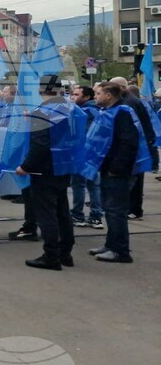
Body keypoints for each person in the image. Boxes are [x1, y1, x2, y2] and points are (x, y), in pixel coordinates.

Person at [15, 75, 86, 271]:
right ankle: (65, 253)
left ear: (41, 90)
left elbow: (40, 144)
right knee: (62, 212)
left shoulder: (42, 112)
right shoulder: (72, 108)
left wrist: (25, 167)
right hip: (64, 166)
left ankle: (51, 256)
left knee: (46, 214)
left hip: (44, 170)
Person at [82, 81, 151, 263]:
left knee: (116, 211)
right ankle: (111, 244)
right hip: (109, 169)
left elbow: (128, 143)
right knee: (110, 209)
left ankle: (120, 250)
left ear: (108, 95)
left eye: (98, 93)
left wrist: (116, 168)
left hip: (118, 172)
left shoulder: (122, 113)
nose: (95, 96)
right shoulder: (110, 111)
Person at [110, 77, 157, 219]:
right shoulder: (130, 100)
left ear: (121, 87)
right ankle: (132, 208)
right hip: (139, 142)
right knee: (134, 178)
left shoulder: (128, 102)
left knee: (134, 179)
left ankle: (134, 209)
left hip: (136, 144)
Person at [69, 85, 103, 229]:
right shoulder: (98, 110)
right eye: (73, 94)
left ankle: (78, 215)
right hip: (95, 154)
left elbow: (82, 133)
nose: (73, 97)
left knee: (79, 185)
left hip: (82, 153)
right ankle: (96, 217)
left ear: (87, 97)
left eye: (76, 95)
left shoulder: (83, 112)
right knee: (94, 186)